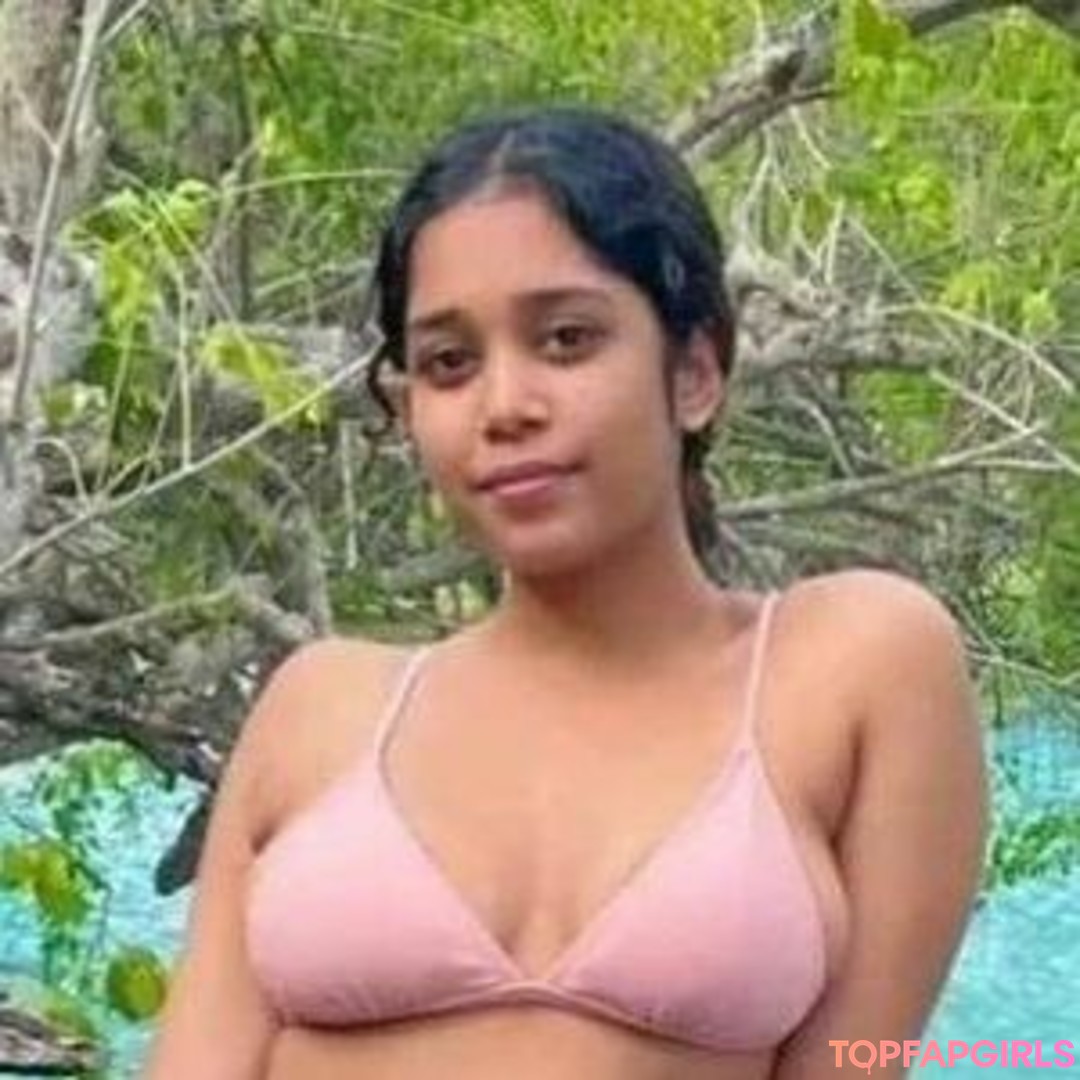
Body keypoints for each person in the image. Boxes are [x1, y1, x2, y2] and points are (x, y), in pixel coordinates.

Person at [143, 105, 987, 1080]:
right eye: (449, 363)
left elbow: (858, 1063)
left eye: (566, 339)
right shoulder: (322, 706)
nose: (505, 407)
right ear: (410, 408)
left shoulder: (853, 666)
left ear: (695, 372)